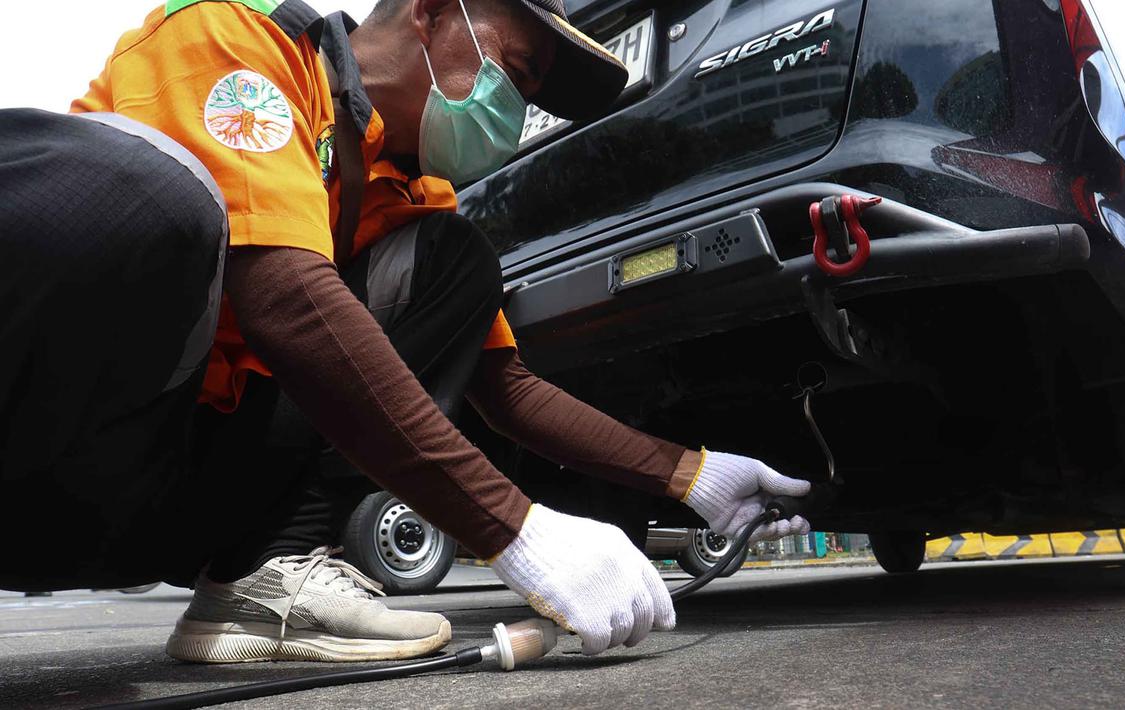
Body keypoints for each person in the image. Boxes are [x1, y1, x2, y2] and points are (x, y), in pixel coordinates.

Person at [0, 0, 812, 663]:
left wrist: (693, 476)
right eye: (515, 69)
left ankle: (260, 579)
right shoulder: (237, 37)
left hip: (153, 498)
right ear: (430, 12)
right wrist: (514, 530)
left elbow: (506, 390)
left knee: (454, 262)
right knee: (151, 191)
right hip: (57, 441)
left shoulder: (409, 195)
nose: (514, 108)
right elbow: (285, 296)